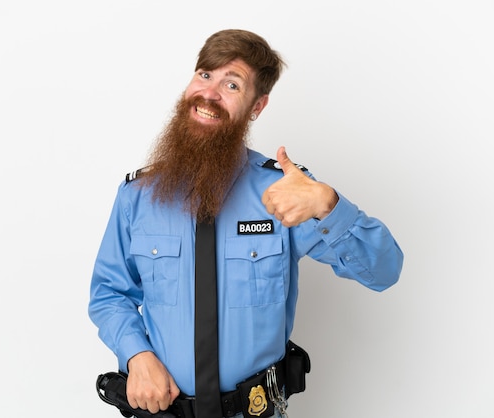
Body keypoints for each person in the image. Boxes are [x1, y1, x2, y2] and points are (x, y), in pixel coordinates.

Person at [89, 29, 403, 418]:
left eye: (232, 84)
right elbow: (108, 293)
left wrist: (328, 205)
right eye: (205, 75)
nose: (210, 93)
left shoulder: (286, 193)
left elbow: (384, 271)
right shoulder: (138, 196)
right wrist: (136, 354)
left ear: (257, 106)